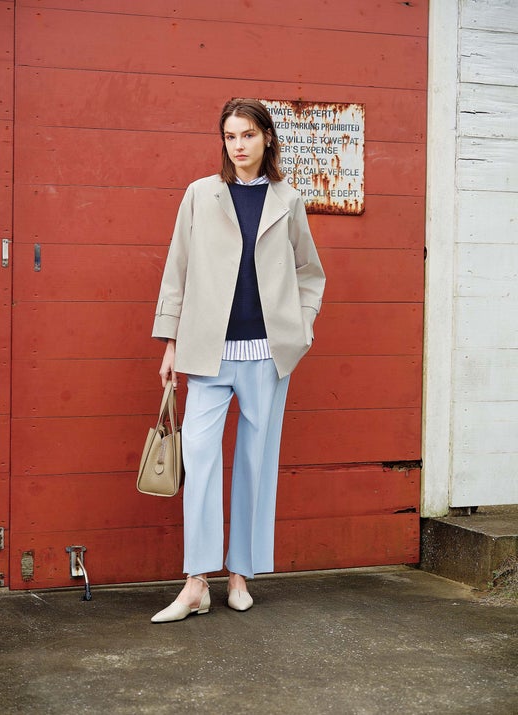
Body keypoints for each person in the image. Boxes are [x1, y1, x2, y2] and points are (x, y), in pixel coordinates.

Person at [150, 98, 325, 623]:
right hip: (208, 352)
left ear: (267, 137)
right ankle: (195, 583)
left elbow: (310, 272)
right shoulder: (200, 194)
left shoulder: (287, 199)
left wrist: (301, 328)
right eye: (230, 136)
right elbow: (177, 268)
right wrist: (170, 340)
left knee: (254, 463)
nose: (239, 145)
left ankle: (240, 576)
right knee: (201, 458)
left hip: (267, 356)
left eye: (248, 134)